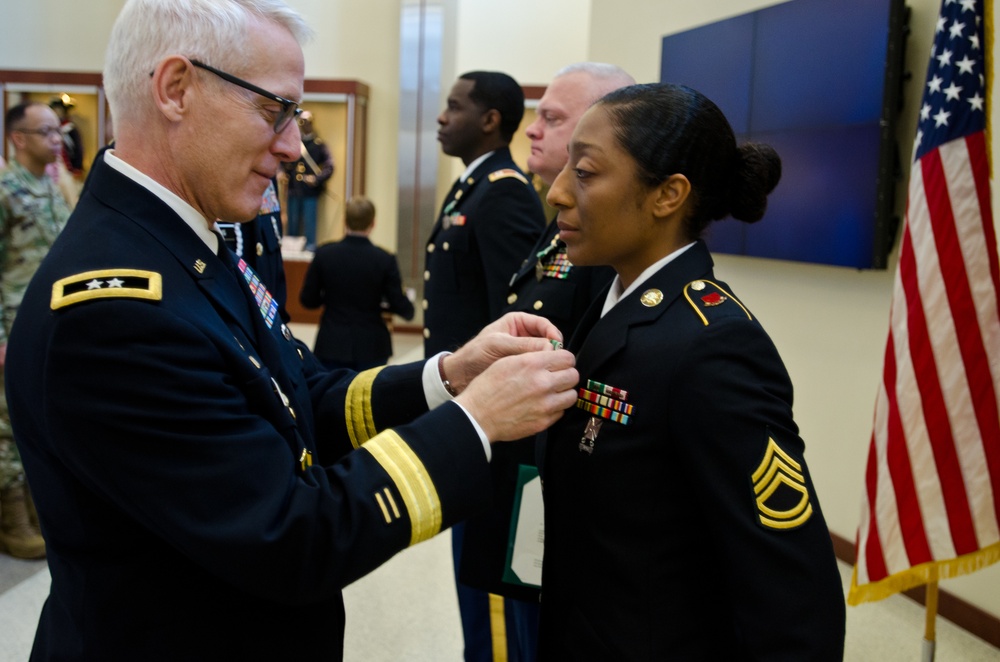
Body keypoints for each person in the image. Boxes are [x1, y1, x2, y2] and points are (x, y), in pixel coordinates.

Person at [4, 1, 580, 659]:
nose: (293, 146)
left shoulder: (189, 241)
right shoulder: (116, 311)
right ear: (176, 90)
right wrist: (476, 421)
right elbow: (288, 535)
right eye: (275, 110)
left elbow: (293, 395)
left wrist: (446, 379)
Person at [535, 82, 846, 659]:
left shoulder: (714, 348)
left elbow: (792, 594)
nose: (556, 192)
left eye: (585, 173)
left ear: (667, 195)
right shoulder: (614, 302)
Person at [456, 62, 634, 662]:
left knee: (514, 643)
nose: (532, 130)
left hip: (529, 477)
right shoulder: (558, 229)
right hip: (499, 462)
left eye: (552, 118)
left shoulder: (603, 244)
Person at [424, 70, 547, 661]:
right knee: (471, 577)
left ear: (490, 119)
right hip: (465, 412)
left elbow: (518, 312)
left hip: (491, 425)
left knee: (489, 585)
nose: (442, 118)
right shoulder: (472, 186)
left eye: (454, 107)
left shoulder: (503, 192)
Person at [0, 102, 72, 561]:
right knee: (6, 421)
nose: (56, 139)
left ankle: (32, 501)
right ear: (18, 138)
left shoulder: (53, 189)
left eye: (58, 131)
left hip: (48, 325)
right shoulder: (6, 192)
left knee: (39, 414)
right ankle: (11, 518)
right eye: (45, 131)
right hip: (11, 327)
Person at [300, 196, 414, 371]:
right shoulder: (384, 259)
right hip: (372, 345)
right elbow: (399, 303)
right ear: (373, 224)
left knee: (332, 395)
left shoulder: (325, 254)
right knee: (368, 396)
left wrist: (330, 299)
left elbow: (308, 300)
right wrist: (408, 309)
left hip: (331, 342)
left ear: (345, 222)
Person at [282, 109, 333, 250]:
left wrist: (316, 178)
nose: (304, 125)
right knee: (293, 225)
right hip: (294, 189)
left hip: (310, 191)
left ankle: (310, 250)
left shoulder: (319, 144)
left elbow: (329, 166)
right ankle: (292, 252)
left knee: (309, 225)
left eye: (307, 122)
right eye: (302, 122)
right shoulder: (294, 142)